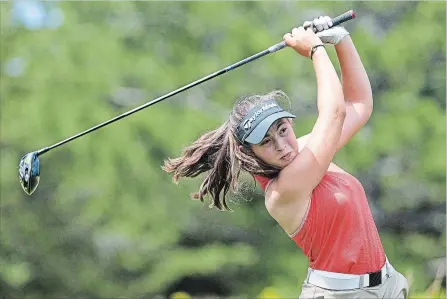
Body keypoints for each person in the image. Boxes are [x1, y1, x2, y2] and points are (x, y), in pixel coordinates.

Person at [163, 15, 409, 299]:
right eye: (266, 142)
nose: (282, 145)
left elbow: (359, 105)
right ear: (249, 153)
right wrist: (316, 50)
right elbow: (336, 112)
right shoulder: (283, 190)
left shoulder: (308, 150)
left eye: (282, 130)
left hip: (387, 285)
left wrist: (341, 40)